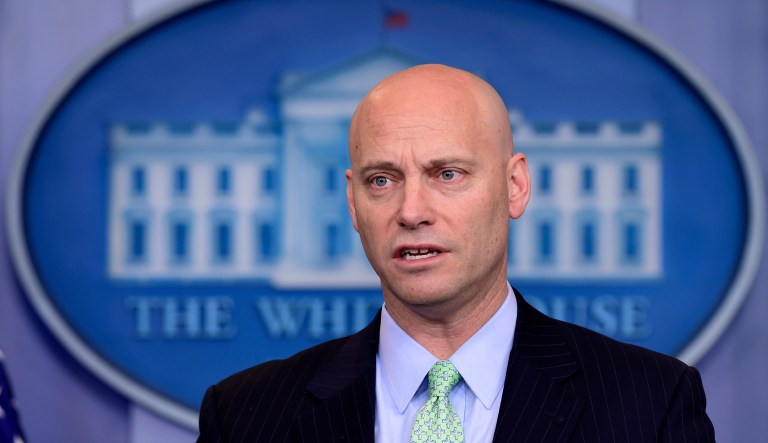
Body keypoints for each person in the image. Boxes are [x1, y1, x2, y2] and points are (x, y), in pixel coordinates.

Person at [197, 64, 715, 442]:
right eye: (383, 180)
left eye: (447, 174)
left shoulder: (651, 405)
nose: (411, 210)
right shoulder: (244, 416)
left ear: (514, 187)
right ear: (353, 203)